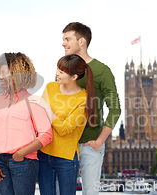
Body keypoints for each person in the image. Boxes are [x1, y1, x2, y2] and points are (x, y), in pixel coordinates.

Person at [62, 22, 121, 195]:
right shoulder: (62, 69)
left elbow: (115, 108)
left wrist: (100, 141)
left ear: (81, 42)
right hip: (65, 144)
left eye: (67, 39)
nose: (63, 43)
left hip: (90, 144)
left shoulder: (102, 71)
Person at [0, 53, 53, 195]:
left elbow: (47, 134)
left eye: (4, 73)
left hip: (24, 162)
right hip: (0, 162)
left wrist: (21, 153)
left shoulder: (33, 102)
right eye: (0, 72)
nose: (0, 77)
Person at [36, 54, 96, 195]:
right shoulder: (50, 87)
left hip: (66, 158)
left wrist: (46, 107)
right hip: (44, 153)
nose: (56, 73)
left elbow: (65, 129)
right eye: (57, 69)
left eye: (61, 72)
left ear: (74, 77)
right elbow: (41, 120)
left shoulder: (84, 99)